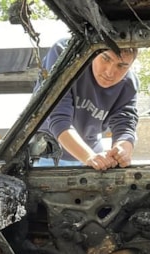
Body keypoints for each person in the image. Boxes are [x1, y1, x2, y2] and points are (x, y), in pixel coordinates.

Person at [35, 38, 139, 171]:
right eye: (105, 58)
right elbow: (58, 117)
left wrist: (122, 151)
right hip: (47, 154)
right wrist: (88, 157)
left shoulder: (129, 83)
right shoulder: (66, 53)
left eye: (122, 66)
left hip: (92, 153)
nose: (109, 72)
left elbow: (125, 124)